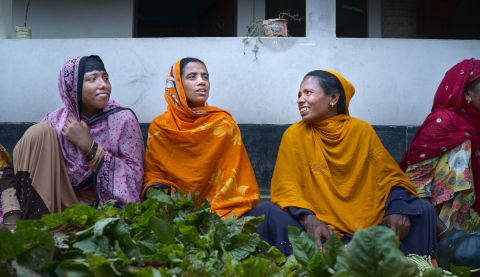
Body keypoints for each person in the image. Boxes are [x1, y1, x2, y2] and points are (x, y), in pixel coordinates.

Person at [251, 70, 436, 256]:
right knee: (265, 213)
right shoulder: (293, 136)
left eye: (308, 93)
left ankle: (400, 265)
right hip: (319, 227)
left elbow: (390, 178)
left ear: (333, 98)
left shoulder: (361, 131)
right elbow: (286, 189)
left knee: (422, 210)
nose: (300, 99)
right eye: (299, 94)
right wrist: (309, 219)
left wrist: (397, 208)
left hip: (369, 225)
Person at [0, 55, 144, 222]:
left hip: (101, 211)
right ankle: (34, 221)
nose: (103, 85)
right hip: (54, 205)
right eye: (93, 79)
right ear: (72, 87)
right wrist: (12, 214)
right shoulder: (56, 120)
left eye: (106, 78)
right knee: (38, 132)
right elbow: (14, 168)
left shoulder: (122, 119)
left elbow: (135, 179)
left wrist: (90, 146)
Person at [142, 57, 260, 219]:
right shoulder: (160, 127)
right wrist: (163, 199)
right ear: (177, 84)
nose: (202, 82)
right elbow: (154, 175)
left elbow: (234, 178)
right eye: (192, 77)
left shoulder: (223, 124)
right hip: (174, 210)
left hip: (221, 210)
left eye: (205, 77)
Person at [401, 58, 480, 233]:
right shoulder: (443, 121)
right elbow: (415, 180)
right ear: (466, 93)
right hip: (437, 224)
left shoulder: (477, 123)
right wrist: (436, 228)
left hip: (470, 224)